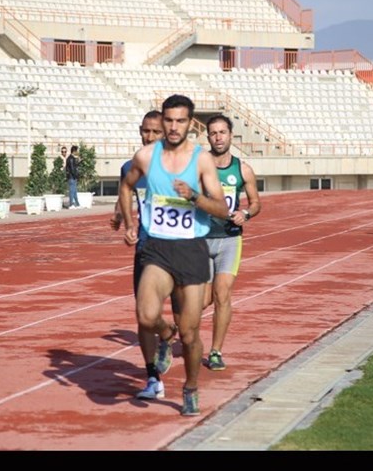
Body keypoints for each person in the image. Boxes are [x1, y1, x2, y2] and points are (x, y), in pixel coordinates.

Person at [119, 94, 228, 416]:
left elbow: (221, 209)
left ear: (190, 124)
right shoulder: (145, 156)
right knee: (146, 315)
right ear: (162, 121)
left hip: (192, 249)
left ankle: (190, 387)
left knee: (192, 332)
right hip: (158, 247)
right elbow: (126, 187)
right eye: (168, 120)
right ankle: (166, 335)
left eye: (180, 121)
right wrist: (129, 222)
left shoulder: (202, 160)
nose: (173, 127)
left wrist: (194, 196)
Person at [110, 110, 177, 399]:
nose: (149, 137)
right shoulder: (130, 167)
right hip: (147, 249)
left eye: (155, 132)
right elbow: (126, 193)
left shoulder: (181, 165)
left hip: (181, 248)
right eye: (145, 131)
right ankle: (153, 377)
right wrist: (124, 222)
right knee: (144, 315)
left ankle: (172, 335)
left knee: (188, 320)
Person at [202, 114, 261, 371]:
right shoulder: (199, 166)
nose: (218, 137)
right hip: (201, 239)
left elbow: (256, 202)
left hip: (229, 239)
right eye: (213, 133)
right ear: (208, 137)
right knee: (201, 300)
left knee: (222, 294)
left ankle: (215, 351)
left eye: (222, 132)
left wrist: (245, 213)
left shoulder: (243, 169)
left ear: (230, 135)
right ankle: (173, 328)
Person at [65, 145, 80, 209]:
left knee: (74, 190)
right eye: (76, 151)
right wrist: (75, 175)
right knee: (72, 191)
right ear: (74, 151)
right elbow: (72, 168)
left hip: (73, 176)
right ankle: (71, 204)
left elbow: (74, 166)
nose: (77, 152)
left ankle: (77, 204)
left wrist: (79, 162)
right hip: (71, 177)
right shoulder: (71, 158)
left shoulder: (72, 158)